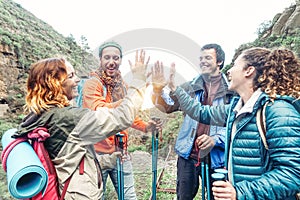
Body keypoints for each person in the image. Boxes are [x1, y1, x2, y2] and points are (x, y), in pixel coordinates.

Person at [152, 47, 300, 199]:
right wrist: (174, 88)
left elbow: (293, 173)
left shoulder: (279, 111)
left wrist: (240, 192)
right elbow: (201, 112)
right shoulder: (236, 108)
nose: (230, 71)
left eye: (235, 65)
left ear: (248, 71)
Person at [13, 51, 148, 200]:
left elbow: (68, 158)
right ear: (54, 83)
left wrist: (109, 160)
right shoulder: (68, 119)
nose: (77, 80)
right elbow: (122, 117)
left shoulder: (39, 115)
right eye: (71, 76)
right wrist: (139, 81)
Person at [152, 43, 234, 199]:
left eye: (208, 57)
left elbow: (234, 124)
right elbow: (167, 106)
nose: (203, 61)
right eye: (201, 58)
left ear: (219, 62)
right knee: (184, 196)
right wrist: (157, 90)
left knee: (217, 197)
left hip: (217, 157)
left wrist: (215, 140)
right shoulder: (189, 87)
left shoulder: (231, 90)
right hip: (188, 154)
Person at [81, 41, 161, 200]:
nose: (112, 62)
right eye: (107, 58)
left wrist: (145, 127)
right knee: (95, 197)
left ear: (121, 60)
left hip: (120, 153)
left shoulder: (122, 85)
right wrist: (129, 99)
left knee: (130, 197)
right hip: (96, 155)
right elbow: (99, 110)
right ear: (100, 60)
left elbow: (128, 114)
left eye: (116, 58)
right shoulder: (92, 84)